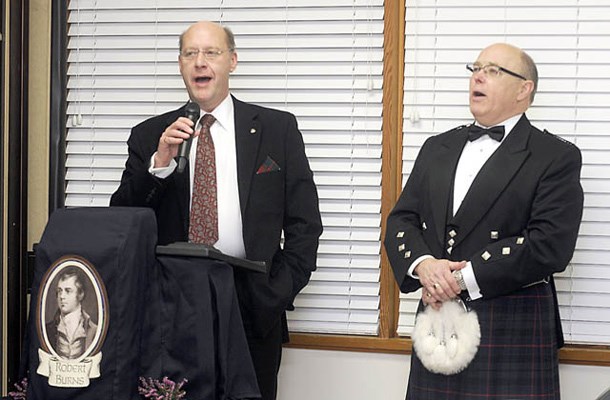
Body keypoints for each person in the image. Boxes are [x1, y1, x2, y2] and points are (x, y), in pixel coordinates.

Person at [110, 21, 322, 400]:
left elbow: (305, 223)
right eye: (190, 53)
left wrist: (278, 291)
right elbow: (124, 220)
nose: (200, 62)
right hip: (173, 305)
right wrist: (160, 164)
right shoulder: (150, 136)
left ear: (232, 61)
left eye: (211, 53)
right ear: (180, 65)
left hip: (252, 303)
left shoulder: (277, 129)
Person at [384, 43, 583, 399]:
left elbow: (550, 245)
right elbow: (403, 221)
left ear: (525, 89)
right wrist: (425, 266)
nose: (478, 76)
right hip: (438, 319)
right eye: (476, 68)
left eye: (493, 70)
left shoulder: (555, 156)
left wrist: (458, 279)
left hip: (512, 320)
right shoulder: (437, 147)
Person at [45, 267, 97, 360]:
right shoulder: (47, 330)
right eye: (59, 291)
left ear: (80, 294)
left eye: (68, 291)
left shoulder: (94, 331)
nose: (61, 296)